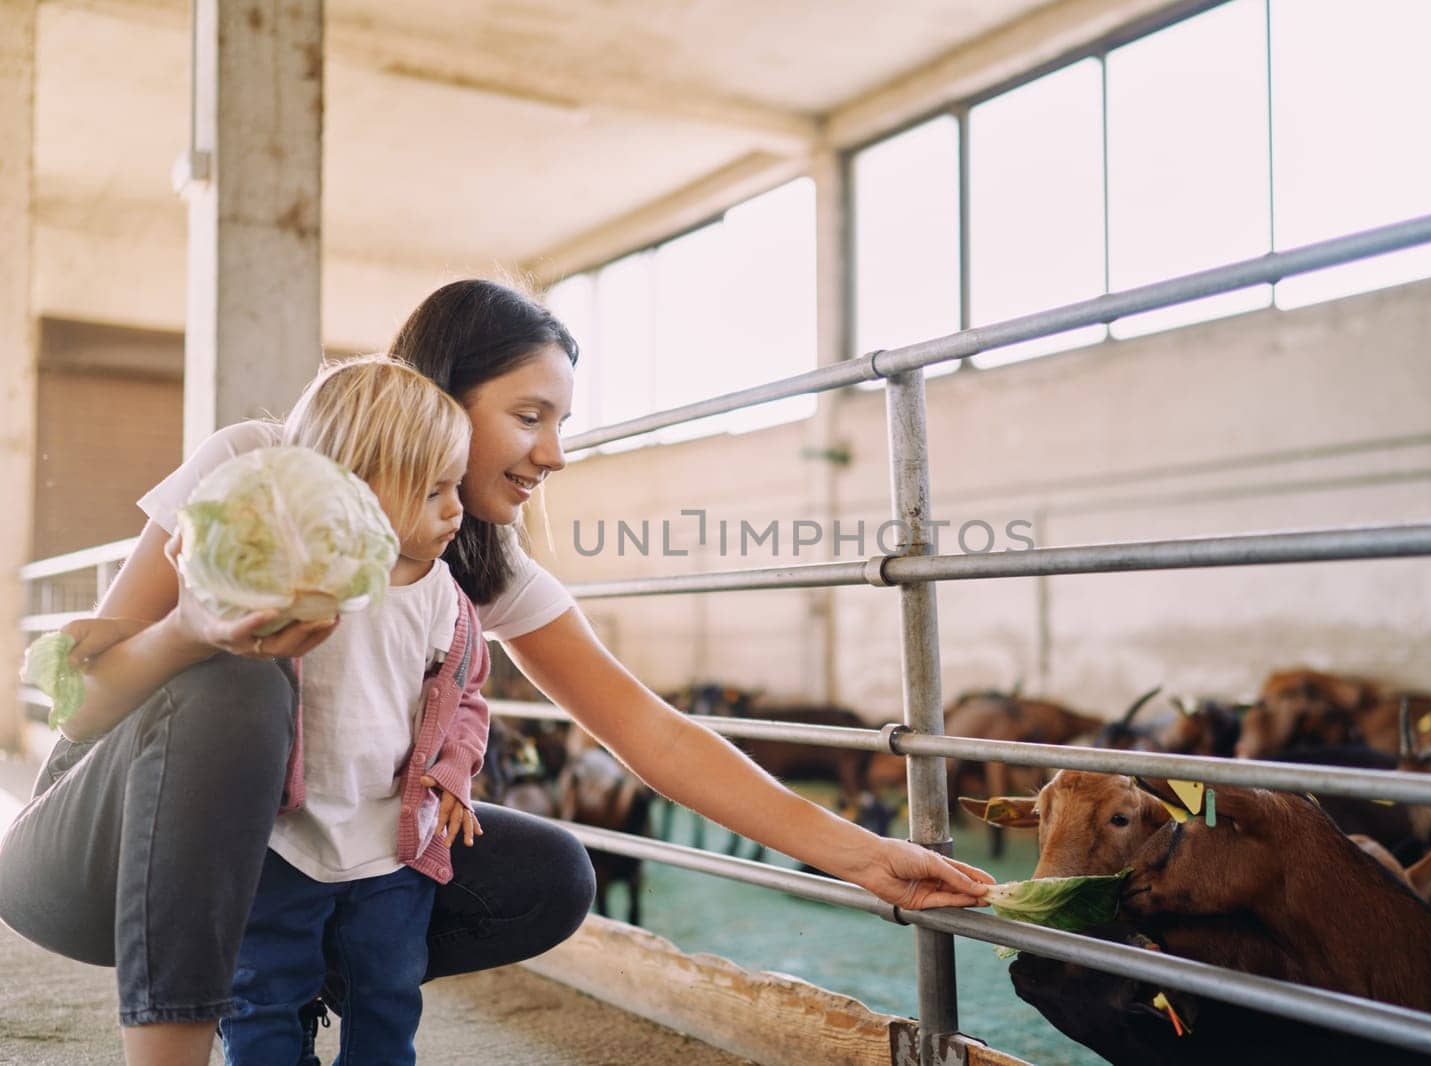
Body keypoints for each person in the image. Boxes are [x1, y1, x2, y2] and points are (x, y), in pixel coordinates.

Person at [0, 279, 994, 1066]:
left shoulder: (469, 559)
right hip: (88, 858)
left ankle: (296, 990)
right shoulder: (258, 464)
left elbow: (648, 731)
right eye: (531, 415)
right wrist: (194, 631)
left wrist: (855, 852)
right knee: (235, 685)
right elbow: (78, 697)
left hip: (292, 877)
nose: (553, 453)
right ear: (440, 397)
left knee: (549, 874)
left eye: (559, 423)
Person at [216, 357, 489, 1064]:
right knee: (262, 992)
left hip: (391, 843)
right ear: (357, 489)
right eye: (434, 492)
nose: (457, 509)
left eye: (454, 486)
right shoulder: (286, 576)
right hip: (283, 838)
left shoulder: (441, 599)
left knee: (390, 994)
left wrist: (455, 769)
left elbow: (468, 698)